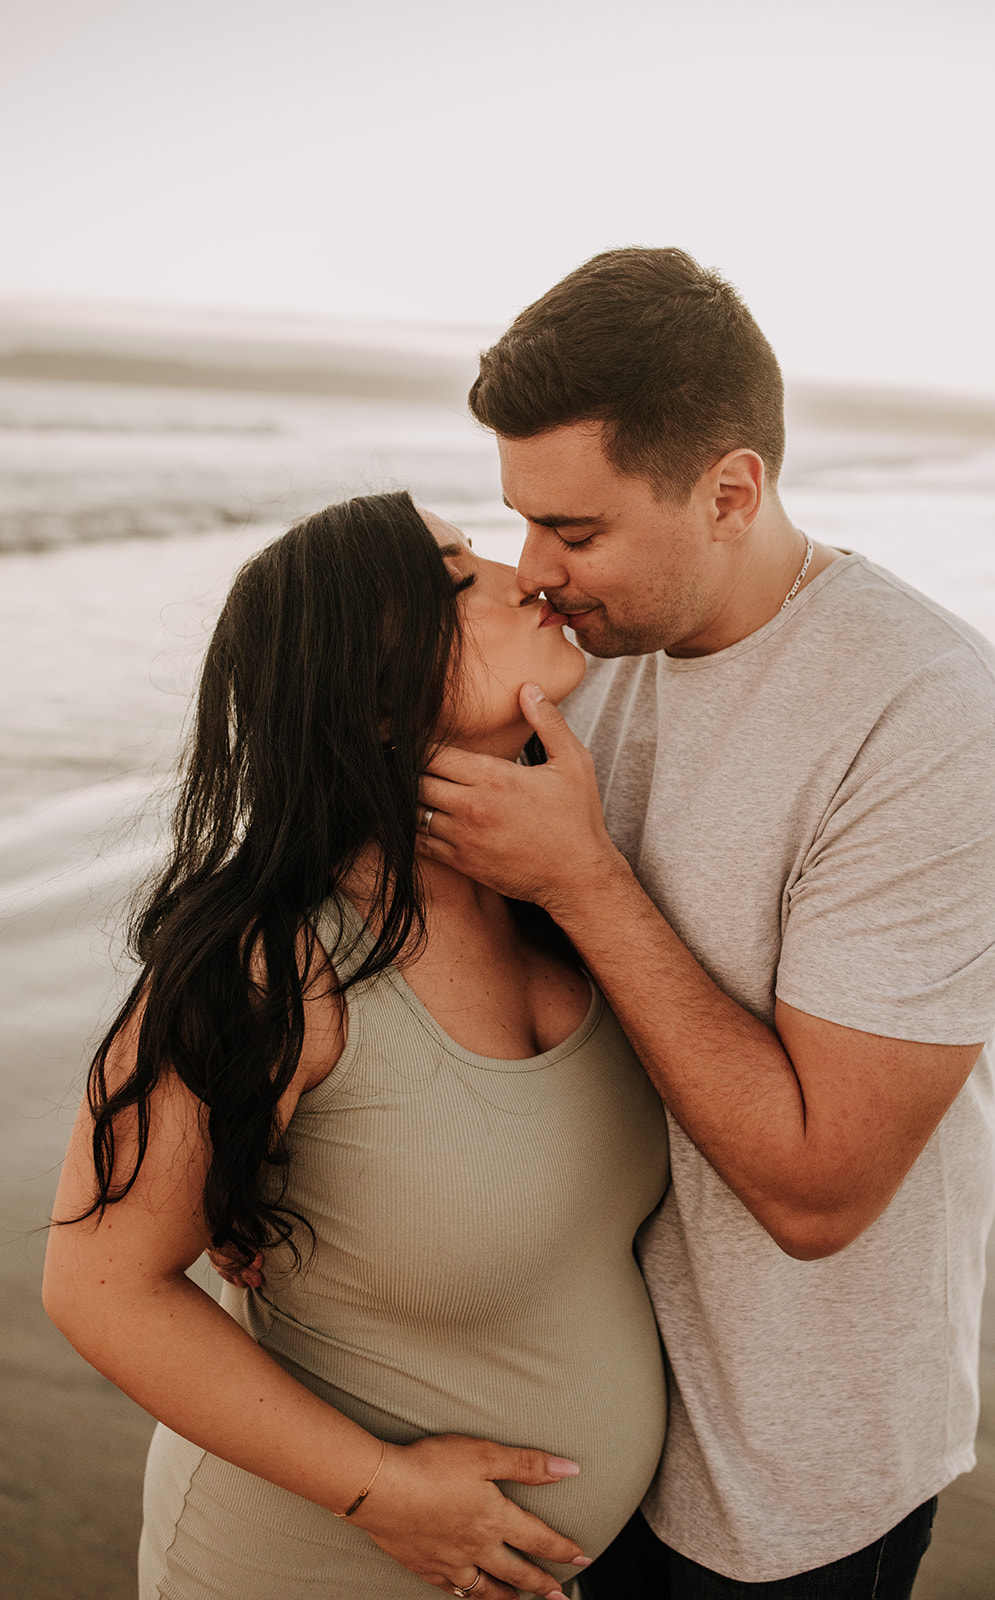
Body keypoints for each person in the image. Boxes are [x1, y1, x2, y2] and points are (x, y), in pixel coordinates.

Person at [416, 248, 995, 1597]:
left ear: (730, 491)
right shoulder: (573, 665)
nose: (532, 572)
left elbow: (818, 1188)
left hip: (785, 1477)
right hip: (563, 1432)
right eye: (518, 521)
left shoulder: (923, 719)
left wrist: (583, 880)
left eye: (576, 531)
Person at [42, 490, 670, 1600]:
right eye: (453, 578)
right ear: (371, 705)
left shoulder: (555, 894)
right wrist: (380, 1488)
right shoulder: (272, 966)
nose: (520, 572)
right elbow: (97, 1282)